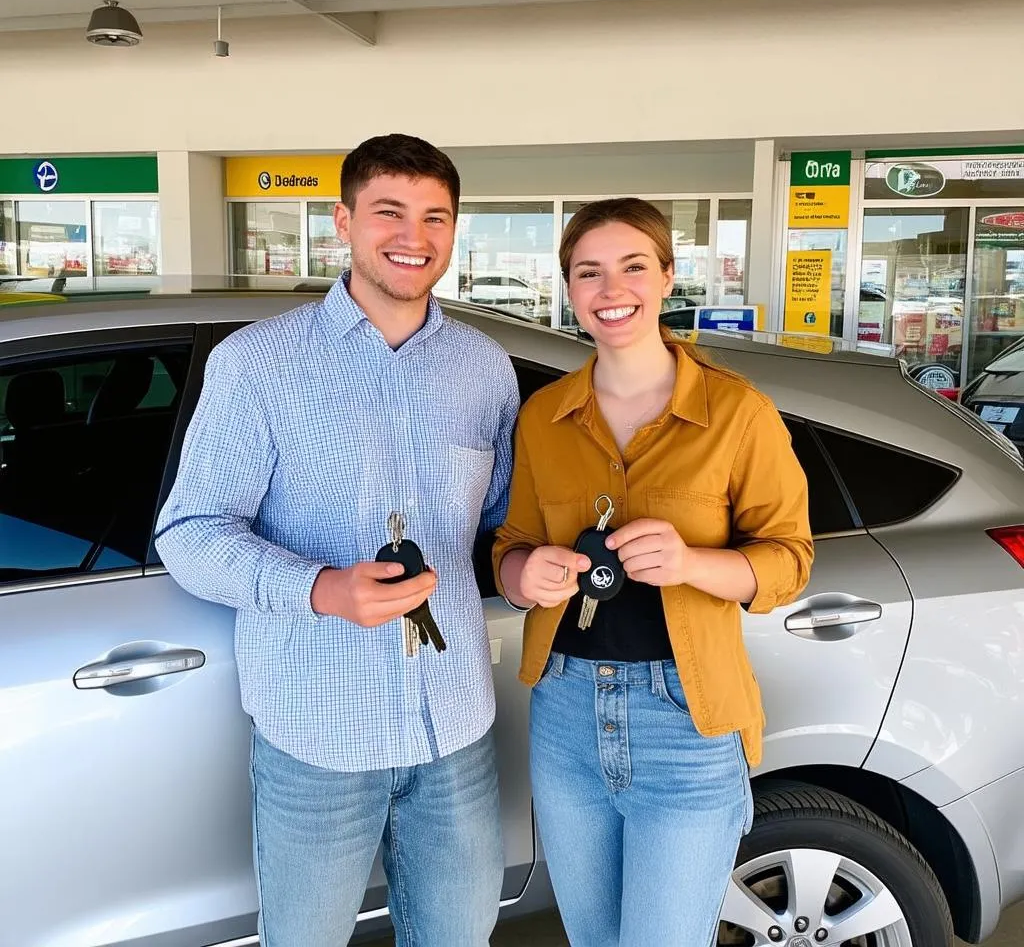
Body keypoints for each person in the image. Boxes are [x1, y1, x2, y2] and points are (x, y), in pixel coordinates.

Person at [155, 134, 519, 947]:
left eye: (436, 217)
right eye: (388, 211)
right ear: (343, 222)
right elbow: (189, 533)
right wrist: (321, 590)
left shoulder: (484, 369)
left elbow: (494, 523)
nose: (413, 237)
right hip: (318, 734)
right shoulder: (257, 365)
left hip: (453, 726)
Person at [493, 198, 813, 947]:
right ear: (569, 289)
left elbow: (789, 561)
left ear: (668, 277)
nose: (612, 289)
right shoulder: (543, 416)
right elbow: (510, 541)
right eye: (589, 272)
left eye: (634, 266)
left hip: (686, 722)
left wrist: (691, 561)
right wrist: (521, 574)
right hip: (566, 712)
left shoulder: (738, 414)